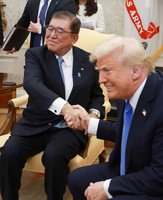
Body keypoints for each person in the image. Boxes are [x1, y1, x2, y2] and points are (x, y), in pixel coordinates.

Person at [0, 11, 105, 200]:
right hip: (35, 124)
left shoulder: (88, 60)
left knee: (55, 156)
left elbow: (96, 96)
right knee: (9, 153)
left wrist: (94, 115)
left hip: (69, 128)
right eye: (49, 28)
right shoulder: (35, 55)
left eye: (59, 30)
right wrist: (66, 107)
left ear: (74, 38)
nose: (51, 34)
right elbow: (33, 85)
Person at [65, 36, 163, 200]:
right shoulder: (126, 90)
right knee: (76, 179)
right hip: (128, 168)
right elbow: (129, 131)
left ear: (135, 71)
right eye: (99, 71)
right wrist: (88, 124)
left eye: (107, 70)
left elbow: (159, 175)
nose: (101, 80)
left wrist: (107, 187)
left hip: (154, 182)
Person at [8, 0, 76, 53]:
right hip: (34, 53)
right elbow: (23, 24)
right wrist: (12, 44)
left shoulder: (67, 2)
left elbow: (66, 28)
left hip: (55, 55)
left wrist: (40, 30)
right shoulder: (32, 2)